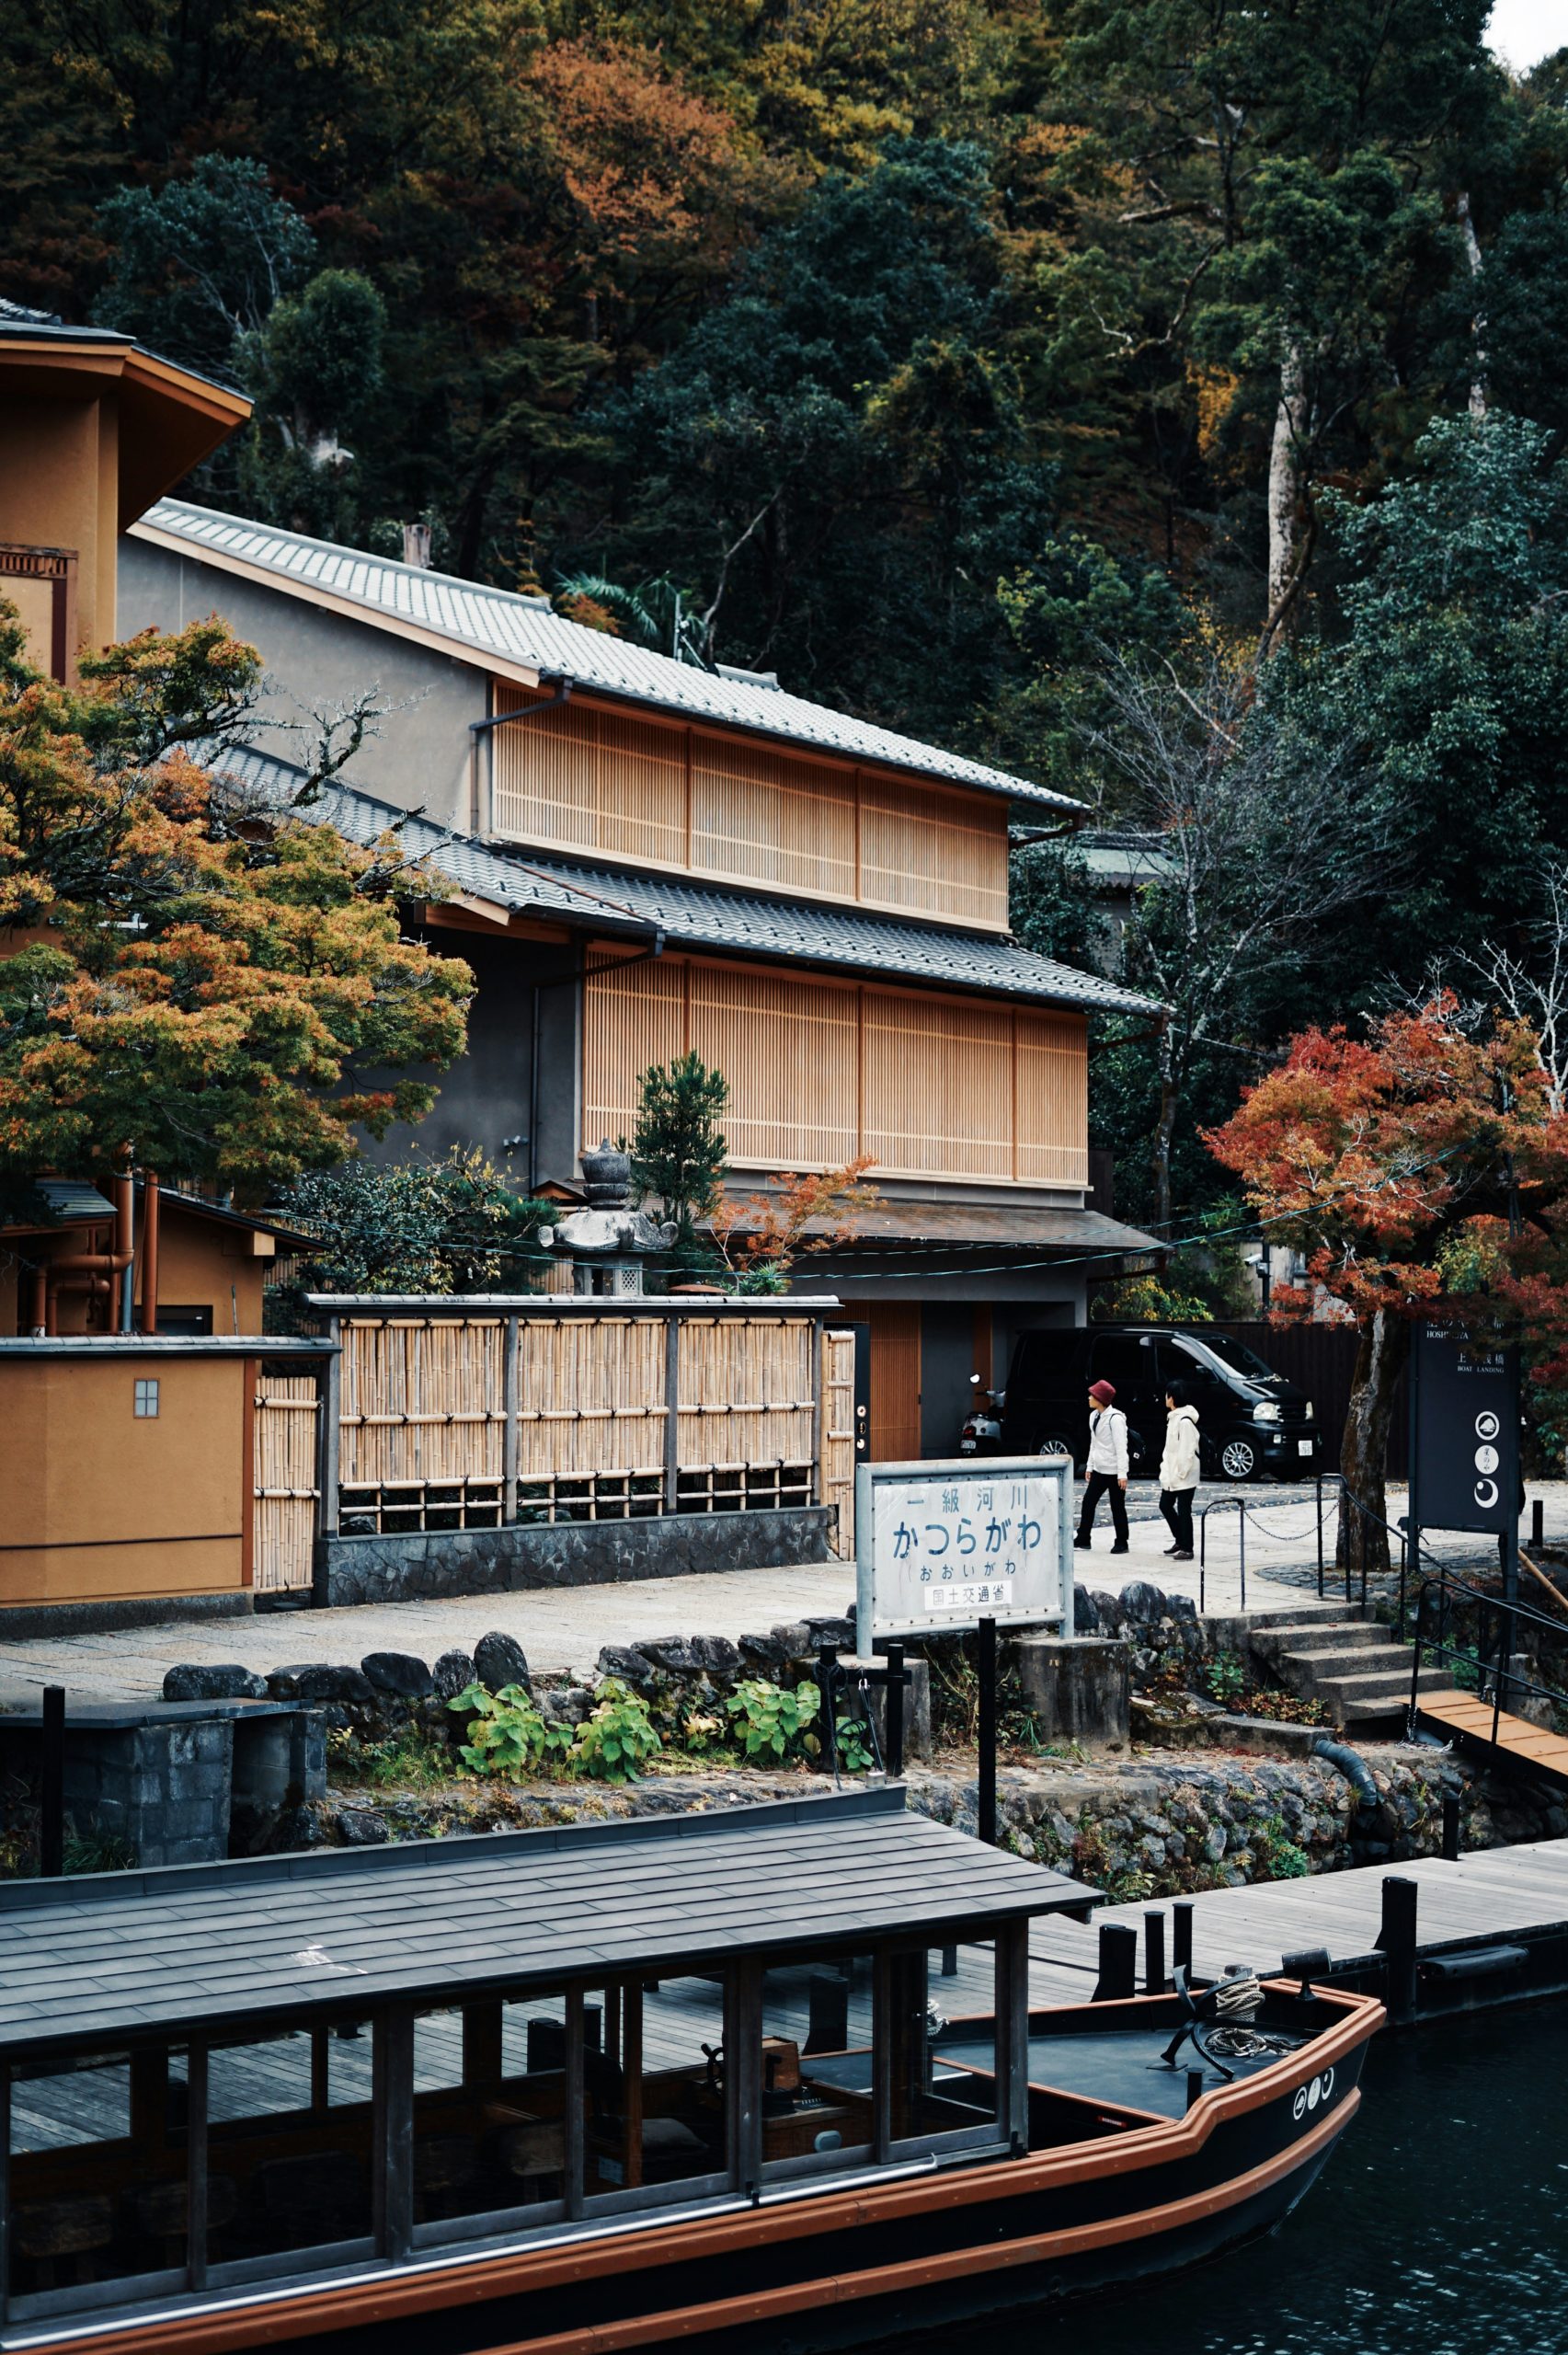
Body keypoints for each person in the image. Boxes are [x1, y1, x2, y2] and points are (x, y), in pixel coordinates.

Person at [1076, 1378, 1129, 1553]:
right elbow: (1094, 1443)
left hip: (1114, 1471)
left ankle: (1122, 1542)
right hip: (1100, 1469)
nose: (1088, 1398)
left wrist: (1123, 1474)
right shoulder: (1094, 1416)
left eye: (1092, 1395)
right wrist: (1090, 1466)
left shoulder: (1115, 1419)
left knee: (1117, 1507)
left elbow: (1122, 1448)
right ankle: (1084, 1538)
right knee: (1088, 1502)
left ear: (1100, 1399)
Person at [1159, 1379, 1200, 1561]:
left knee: (1184, 1510)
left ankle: (1187, 1548)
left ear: (1172, 1398)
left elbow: (1186, 1451)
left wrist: (1181, 1473)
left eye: (1167, 1394)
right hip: (1173, 1474)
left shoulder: (1184, 1421)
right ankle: (1180, 1540)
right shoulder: (1173, 1418)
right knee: (1165, 1505)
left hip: (1184, 1475)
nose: (1165, 1398)